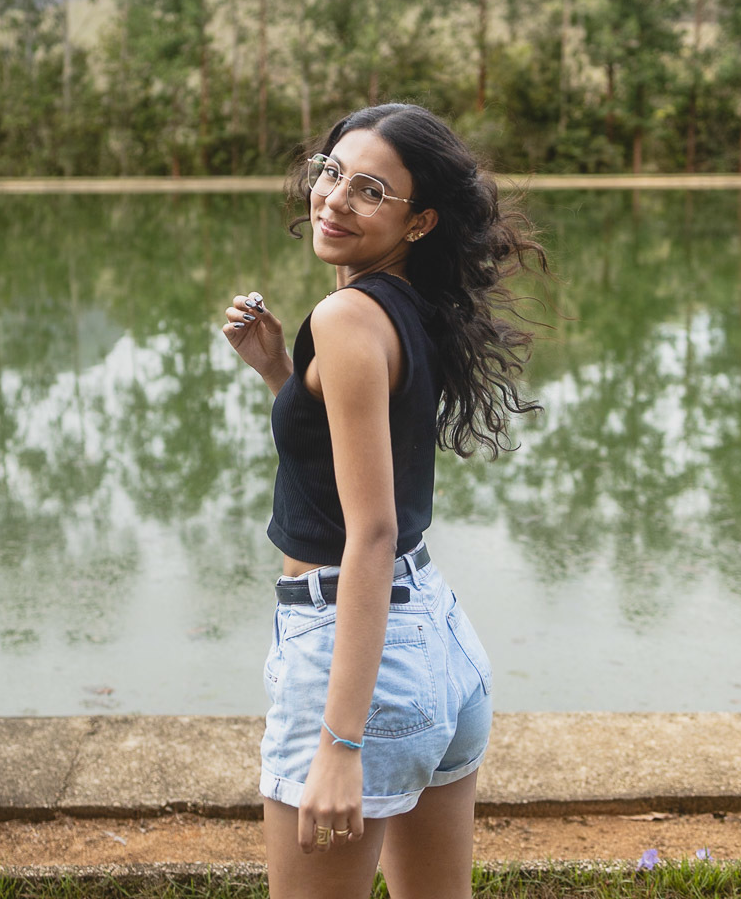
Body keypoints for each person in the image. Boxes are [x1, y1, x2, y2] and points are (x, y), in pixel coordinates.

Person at [223, 103, 545, 899]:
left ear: (419, 220)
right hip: (435, 639)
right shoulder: (405, 307)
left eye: (369, 190)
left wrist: (340, 742)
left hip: (354, 650)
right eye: (331, 173)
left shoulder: (344, 317)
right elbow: (349, 468)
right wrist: (281, 375)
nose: (334, 199)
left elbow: (368, 532)